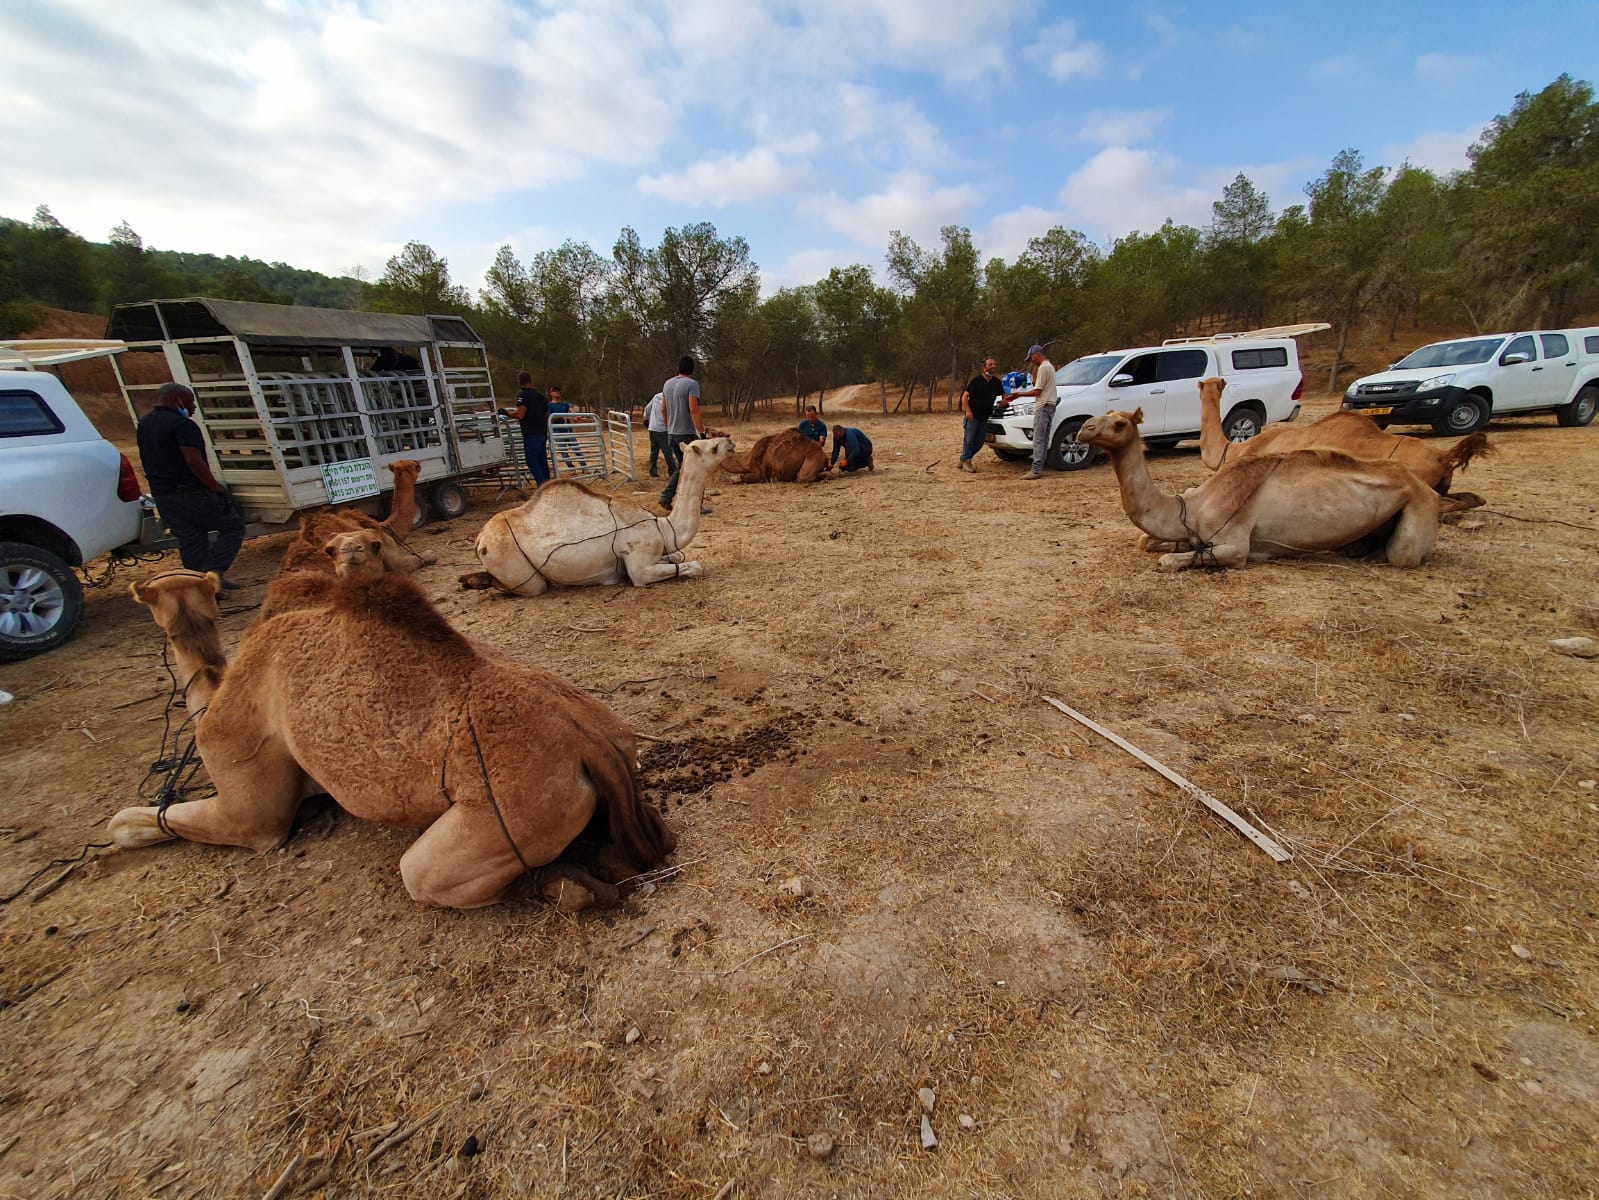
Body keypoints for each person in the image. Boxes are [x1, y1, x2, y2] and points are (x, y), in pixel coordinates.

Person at [136, 382, 246, 588]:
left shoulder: (145, 424)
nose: (193, 407)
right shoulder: (182, 425)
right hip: (189, 492)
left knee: (191, 539)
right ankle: (212, 575)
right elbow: (193, 460)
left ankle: (197, 582)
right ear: (177, 399)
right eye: (190, 401)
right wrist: (214, 487)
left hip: (163, 496)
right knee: (233, 526)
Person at [658, 356, 708, 511]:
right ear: (692, 369)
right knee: (697, 469)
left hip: (672, 434)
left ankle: (669, 497)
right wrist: (702, 432)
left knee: (682, 468)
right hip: (686, 434)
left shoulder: (667, 384)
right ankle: (693, 504)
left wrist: (669, 428)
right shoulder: (692, 384)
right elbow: (693, 409)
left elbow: (664, 409)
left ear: (678, 368)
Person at [1007, 344, 1058, 480]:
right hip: (1050, 405)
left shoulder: (1043, 368)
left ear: (1036, 355)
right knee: (1044, 438)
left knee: (1038, 439)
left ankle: (1036, 470)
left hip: (1044, 405)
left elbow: (1037, 391)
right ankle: (1040, 466)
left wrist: (1018, 395)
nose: (1031, 361)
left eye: (1031, 358)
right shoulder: (1050, 367)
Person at [499, 372, 549, 486]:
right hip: (541, 433)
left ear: (520, 382)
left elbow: (520, 415)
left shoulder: (523, 395)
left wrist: (506, 413)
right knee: (542, 461)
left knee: (532, 462)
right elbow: (546, 415)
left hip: (531, 434)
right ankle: (548, 486)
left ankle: (542, 487)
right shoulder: (541, 396)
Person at [958, 356, 1006, 472]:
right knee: (969, 440)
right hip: (973, 416)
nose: (993, 366)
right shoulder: (976, 381)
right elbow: (965, 397)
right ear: (984, 368)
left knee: (980, 441)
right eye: (990, 364)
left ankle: (964, 459)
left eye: (994, 364)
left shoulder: (996, 382)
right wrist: (968, 411)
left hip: (985, 417)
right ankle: (967, 461)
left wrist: (1004, 402)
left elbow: (1004, 395)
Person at [546, 386, 586, 472]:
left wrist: (576, 417)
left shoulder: (565, 404)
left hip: (568, 430)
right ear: (551, 393)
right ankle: (571, 468)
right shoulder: (549, 405)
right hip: (558, 432)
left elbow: (571, 411)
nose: (557, 392)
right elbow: (549, 418)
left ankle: (584, 467)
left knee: (576, 448)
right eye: (555, 391)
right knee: (564, 452)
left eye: (558, 391)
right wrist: (560, 416)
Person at [644, 390, 668, 477]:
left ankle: (652, 471)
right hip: (663, 429)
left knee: (654, 451)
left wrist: (646, 420)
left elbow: (647, 408)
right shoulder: (671, 397)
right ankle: (673, 472)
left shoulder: (656, 396)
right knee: (667, 451)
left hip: (652, 428)